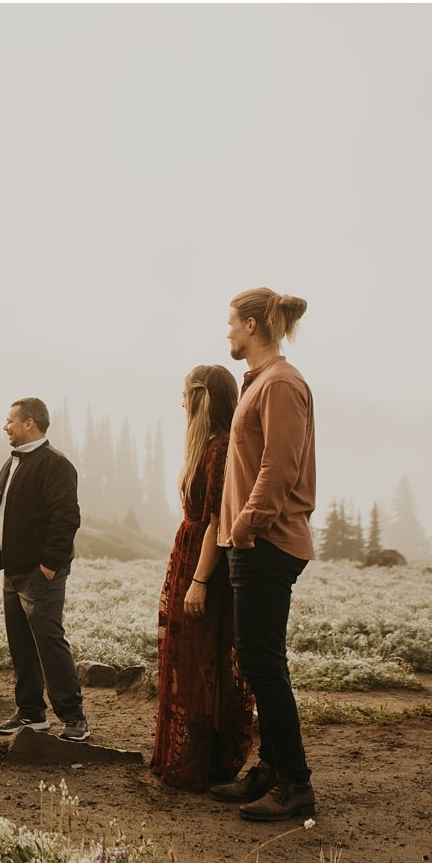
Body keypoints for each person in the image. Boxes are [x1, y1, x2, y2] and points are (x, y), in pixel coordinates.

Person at [208, 287, 319, 822]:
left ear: (252, 325)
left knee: (262, 664)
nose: (226, 332)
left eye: (231, 323)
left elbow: (280, 465)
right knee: (261, 661)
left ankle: (296, 782)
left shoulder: (281, 384)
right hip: (251, 539)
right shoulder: (261, 383)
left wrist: (248, 525)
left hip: (265, 540)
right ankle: (272, 769)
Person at [151, 365, 255, 791]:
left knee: (202, 656)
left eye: (185, 394)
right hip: (191, 554)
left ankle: (203, 758)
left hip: (204, 563)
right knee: (188, 655)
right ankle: (188, 754)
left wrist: (198, 581)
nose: (181, 401)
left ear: (202, 397)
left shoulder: (220, 449)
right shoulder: (208, 446)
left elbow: (216, 521)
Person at [0, 397, 87, 741]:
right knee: (21, 644)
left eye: (10, 420)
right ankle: (31, 714)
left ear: (29, 423)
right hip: (13, 570)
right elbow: (29, 507)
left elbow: (67, 518)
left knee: (49, 641)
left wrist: (48, 566)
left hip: (40, 573)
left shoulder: (56, 464)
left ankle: (74, 718)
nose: (5, 426)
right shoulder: (12, 463)